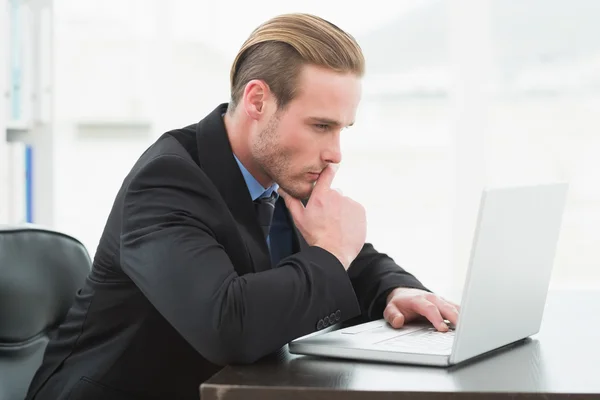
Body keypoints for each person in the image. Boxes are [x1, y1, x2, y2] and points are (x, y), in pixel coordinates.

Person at [26, 13, 459, 400]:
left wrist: (396, 290)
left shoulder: (281, 172)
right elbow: (227, 324)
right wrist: (332, 254)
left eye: (342, 129)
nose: (335, 153)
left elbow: (346, 256)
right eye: (321, 126)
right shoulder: (166, 182)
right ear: (257, 101)